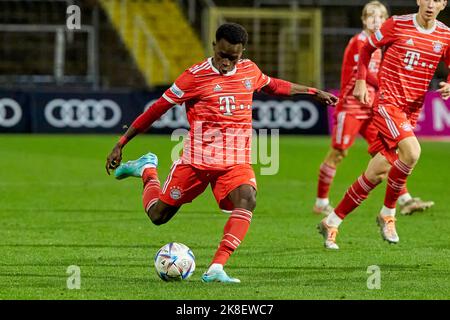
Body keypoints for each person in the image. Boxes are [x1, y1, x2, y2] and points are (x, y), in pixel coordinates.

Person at [106, 23, 338, 282]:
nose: (227, 62)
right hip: (196, 162)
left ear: (242, 52)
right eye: (222, 55)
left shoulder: (249, 70)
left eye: (233, 57)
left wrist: (312, 92)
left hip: (234, 162)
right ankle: (147, 169)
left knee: (247, 199)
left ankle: (216, 267)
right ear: (214, 45)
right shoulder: (193, 77)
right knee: (158, 216)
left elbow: (274, 85)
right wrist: (122, 142)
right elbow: (156, 110)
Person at [318, 0, 450, 249]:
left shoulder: (445, 34)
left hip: (412, 110)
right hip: (388, 104)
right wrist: (359, 82)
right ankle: (388, 213)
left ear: (443, 4)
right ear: (419, 0)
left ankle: (332, 221)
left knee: (376, 173)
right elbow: (367, 48)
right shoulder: (397, 24)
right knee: (412, 152)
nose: (430, 4)